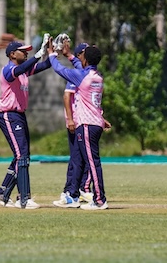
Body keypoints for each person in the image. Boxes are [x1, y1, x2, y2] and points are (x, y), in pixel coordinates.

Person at [48, 37, 111, 210]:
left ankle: (99, 200)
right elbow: (79, 65)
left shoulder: (82, 76)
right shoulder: (97, 76)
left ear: (85, 59)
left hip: (87, 125)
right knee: (90, 162)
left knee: (92, 164)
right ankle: (78, 195)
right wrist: (69, 55)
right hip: (96, 123)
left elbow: (58, 69)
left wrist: (52, 54)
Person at [0, 33, 51, 209]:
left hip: (19, 115)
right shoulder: (8, 69)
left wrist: (53, 53)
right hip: (8, 115)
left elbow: (45, 65)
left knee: (22, 156)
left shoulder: (24, 70)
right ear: (12, 54)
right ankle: (24, 199)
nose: (25, 53)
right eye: (22, 51)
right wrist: (37, 55)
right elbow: (18, 71)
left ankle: (2, 192)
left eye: (27, 51)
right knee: (21, 156)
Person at [55, 37, 94, 204]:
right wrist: (70, 119)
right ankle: (71, 192)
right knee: (77, 158)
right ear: (81, 56)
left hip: (85, 119)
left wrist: (68, 54)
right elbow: (66, 96)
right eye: (86, 52)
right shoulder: (78, 75)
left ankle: (76, 189)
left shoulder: (86, 72)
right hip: (76, 121)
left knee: (84, 158)